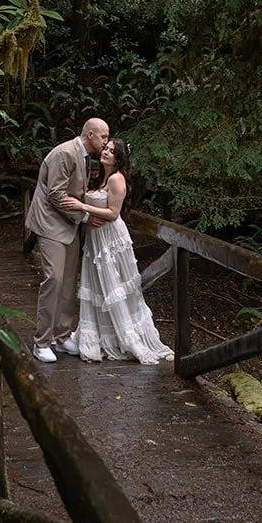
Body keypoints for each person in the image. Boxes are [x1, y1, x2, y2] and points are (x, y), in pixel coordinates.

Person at [60, 138, 173, 365]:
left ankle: (129, 338)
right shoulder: (99, 176)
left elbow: (112, 213)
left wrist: (81, 206)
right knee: (97, 287)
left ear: (118, 158)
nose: (106, 153)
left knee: (115, 287)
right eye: (106, 149)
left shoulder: (116, 179)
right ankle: (96, 337)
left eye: (111, 151)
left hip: (111, 238)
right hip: (95, 239)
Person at [25, 116, 110, 363]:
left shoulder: (85, 155)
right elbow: (55, 195)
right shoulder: (65, 153)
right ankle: (41, 342)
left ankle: (61, 336)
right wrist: (84, 217)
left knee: (69, 281)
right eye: (104, 136)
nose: (106, 142)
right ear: (90, 134)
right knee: (54, 279)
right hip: (50, 223)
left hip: (68, 225)